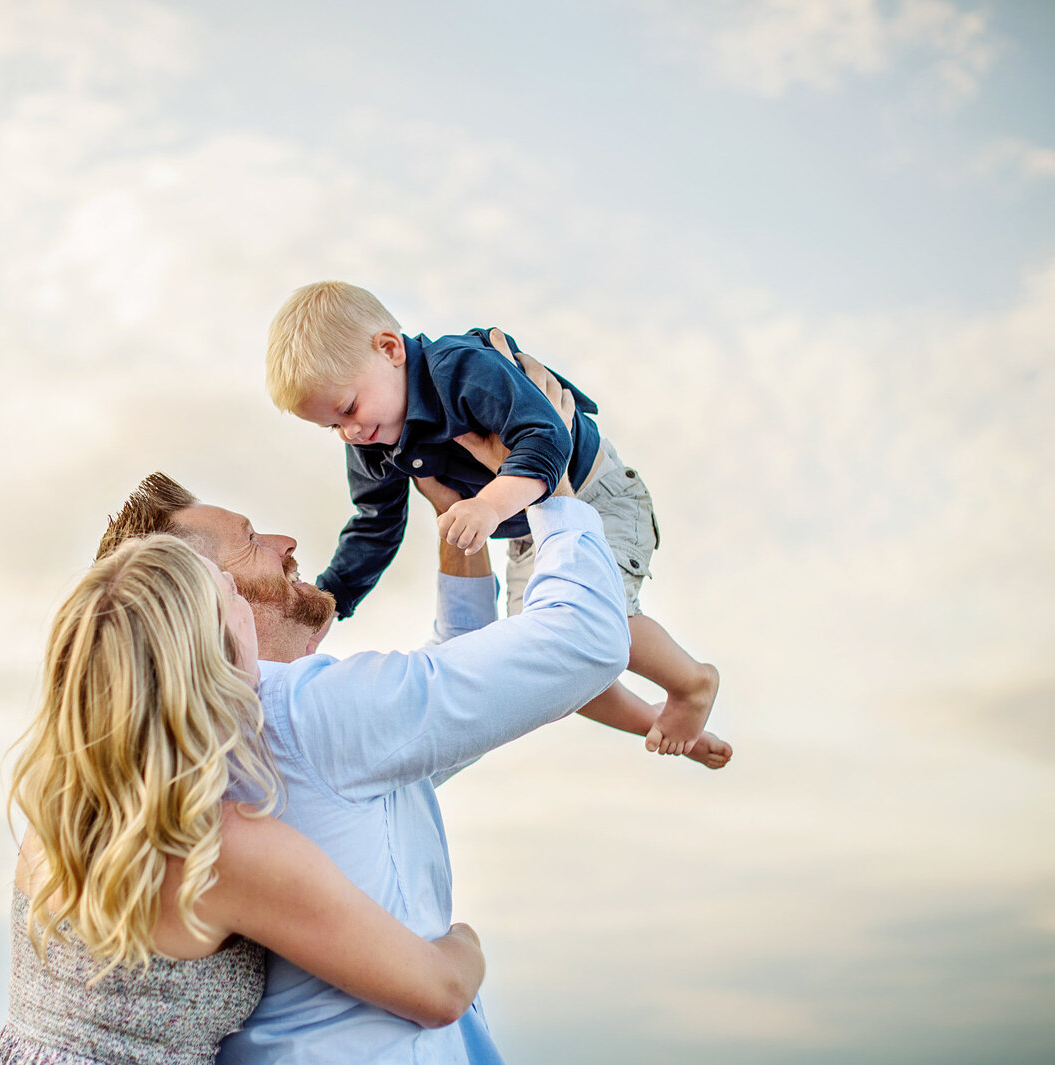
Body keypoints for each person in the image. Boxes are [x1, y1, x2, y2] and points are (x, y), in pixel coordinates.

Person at [98, 352, 706, 1063]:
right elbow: (586, 640)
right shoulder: (305, 713)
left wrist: (456, 526)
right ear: (204, 599)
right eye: (251, 539)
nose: (288, 541)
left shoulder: (217, 736)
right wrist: (548, 481)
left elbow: (454, 697)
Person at [0, 535, 487, 1065]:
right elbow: (442, 992)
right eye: (233, 596)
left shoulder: (56, 815)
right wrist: (465, 940)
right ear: (213, 655)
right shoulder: (221, 849)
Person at [266, 280, 722, 757]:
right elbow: (374, 523)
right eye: (332, 427)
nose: (351, 432)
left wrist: (487, 504)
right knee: (548, 656)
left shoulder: (459, 370)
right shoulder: (372, 442)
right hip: (530, 528)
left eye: (348, 409)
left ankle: (691, 684)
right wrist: (330, 600)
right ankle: (660, 724)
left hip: (594, 496)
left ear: (389, 350)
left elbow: (547, 438)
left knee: (591, 615)